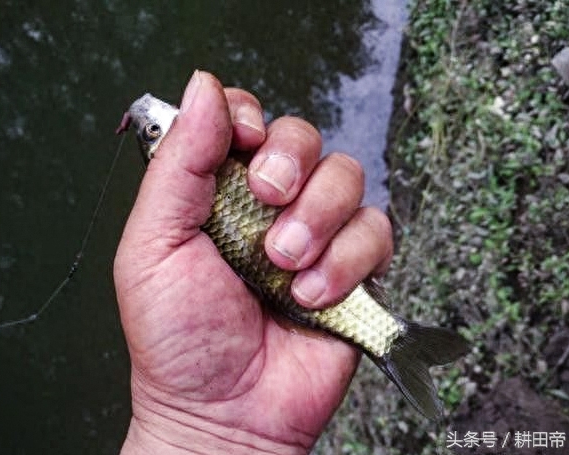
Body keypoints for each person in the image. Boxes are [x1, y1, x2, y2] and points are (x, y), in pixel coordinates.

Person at [114, 71, 394, 454]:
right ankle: (389, 337)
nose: (149, 118)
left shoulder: (212, 165)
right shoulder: (199, 190)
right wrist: (193, 426)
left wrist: (192, 435)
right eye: (151, 133)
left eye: (148, 129)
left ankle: (386, 333)